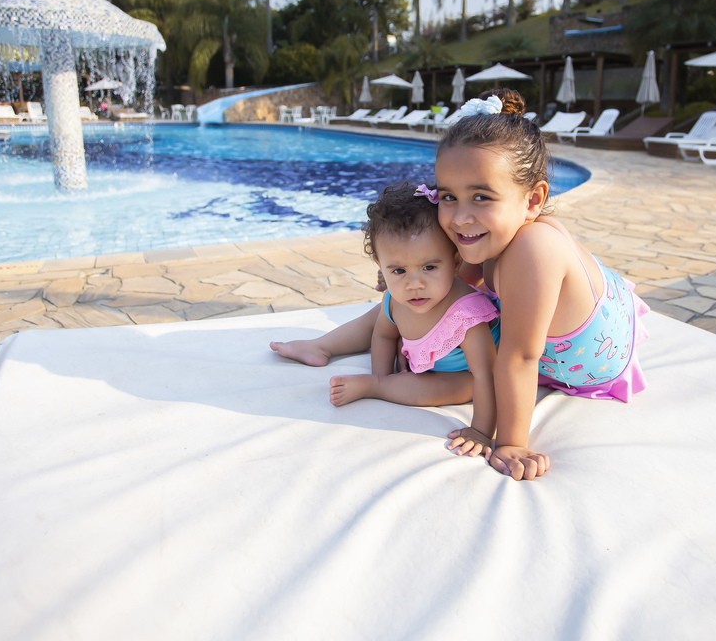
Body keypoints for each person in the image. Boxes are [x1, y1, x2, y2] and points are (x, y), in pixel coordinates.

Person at [273, 89, 650, 480]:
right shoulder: (489, 233)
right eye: (449, 196)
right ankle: (323, 345)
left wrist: (510, 442)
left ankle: (359, 363)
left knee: (451, 322)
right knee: (413, 297)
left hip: (592, 359)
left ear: (533, 200)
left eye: (481, 196)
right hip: (542, 319)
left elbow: (520, 357)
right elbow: (447, 292)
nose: (460, 217)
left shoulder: (532, 250)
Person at [272, 180, 501, 459]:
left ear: (454, 263)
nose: (414, 284)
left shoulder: (467, 317)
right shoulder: (396, 298)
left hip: (462, 372)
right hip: (423, 339)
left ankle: (376, 388)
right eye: (399, 271)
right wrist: (382, 371)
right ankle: (322, 346)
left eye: (429, 267)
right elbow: (382, 335)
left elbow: (486, 376)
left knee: (459, 386)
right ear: (381, 268)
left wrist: (481, 430)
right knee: (376, 318)